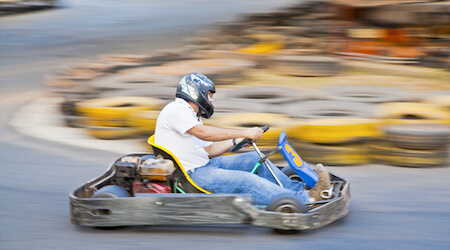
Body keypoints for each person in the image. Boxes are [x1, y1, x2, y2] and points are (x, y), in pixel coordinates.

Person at [154, 73, 330, 205]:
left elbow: (209, 150)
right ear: (195, 92)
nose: (211, 99)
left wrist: (235, 142)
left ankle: (299, 191)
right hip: (193, 175)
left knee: (255, 160)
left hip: (206, 165)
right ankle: (305, 199)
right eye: (209, 94)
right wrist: (242, 133)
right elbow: (204, 133)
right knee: (247, 181)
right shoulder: (176, 109)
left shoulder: (190, 116)